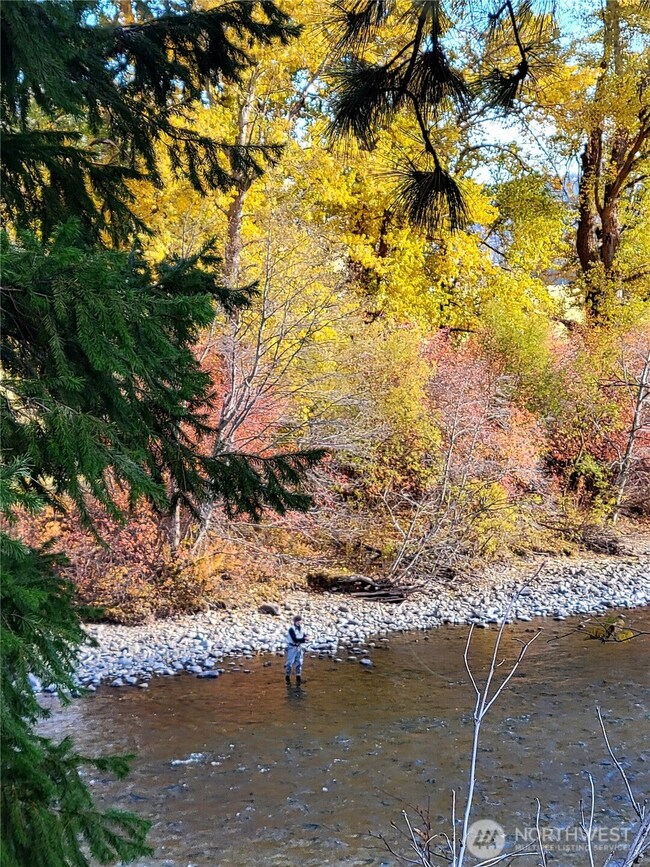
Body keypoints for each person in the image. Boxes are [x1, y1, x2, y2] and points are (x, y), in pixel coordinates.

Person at [285, 615, 307, 684]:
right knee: (290, 663)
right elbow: (294, 639)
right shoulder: (291, 629)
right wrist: (304, 639)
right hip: (292, 647)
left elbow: (304, 636)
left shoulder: (302, 628)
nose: (302, 622)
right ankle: (287, 677)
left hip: (299, 647)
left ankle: (298, 677)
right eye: (301, 620)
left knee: (299, 662)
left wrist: (306, 638)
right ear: (297, 621)